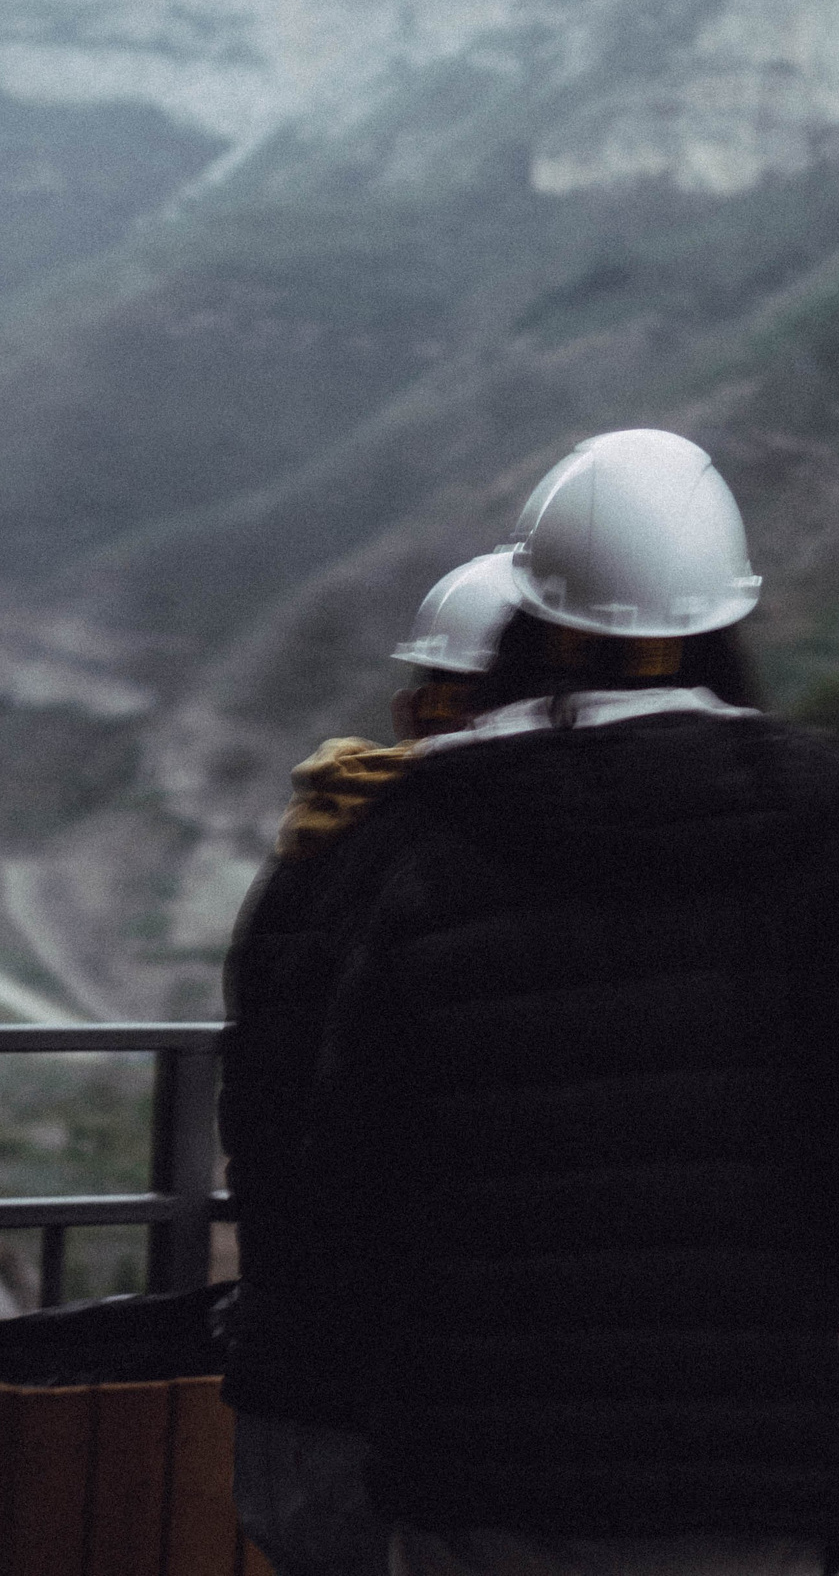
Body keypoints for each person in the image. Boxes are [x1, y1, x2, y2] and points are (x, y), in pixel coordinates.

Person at [289, 430, 839, 1576]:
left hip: (481, 1455)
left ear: (534, 617)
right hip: (741, 1459)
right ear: (716, 621)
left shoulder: (423, 838)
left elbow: (344, 1152)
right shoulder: (808, 833)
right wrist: (803, 1262)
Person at [225, 548, 524, 1576]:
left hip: (296, 1361)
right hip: (419, 1389)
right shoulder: (467, 867)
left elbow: (266, 1097)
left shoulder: (318, 848)